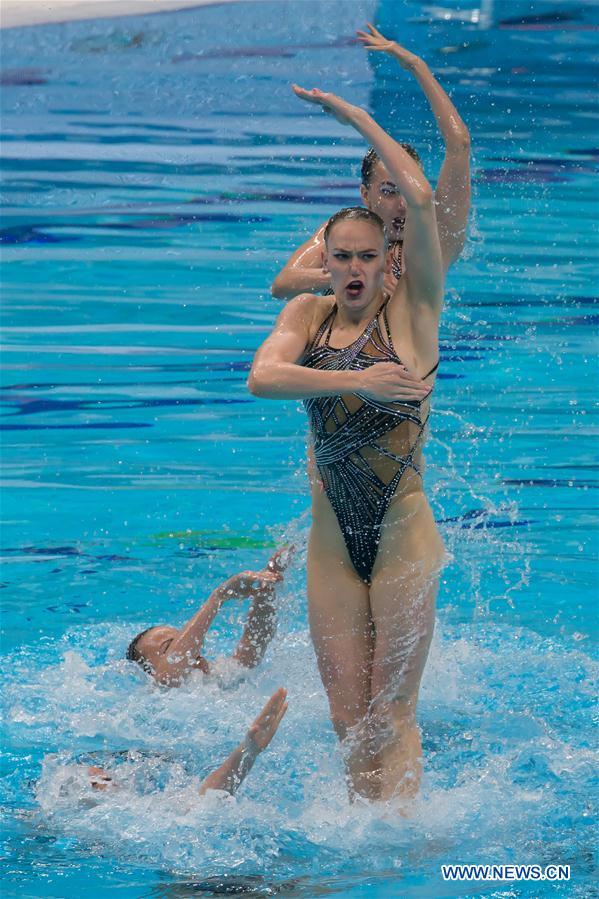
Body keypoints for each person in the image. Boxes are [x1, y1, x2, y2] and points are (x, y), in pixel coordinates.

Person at [249, 85, 447, 803]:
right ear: (324, 262)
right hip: (334, 528)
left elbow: (421, 204)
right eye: (342, 257)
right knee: (345, 715)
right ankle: (362, 836)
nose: (356, 268)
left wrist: (358, 119)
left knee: (391, 710)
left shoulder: (414, 306)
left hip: (401, 523)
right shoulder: (307, 311)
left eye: (367, 254)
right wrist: (359, 383)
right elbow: (262, 377)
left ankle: (399, 845)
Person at [271, 23, 470, 301]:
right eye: (389, 191)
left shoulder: (436, 240)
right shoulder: (346, 234)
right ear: (366, 195)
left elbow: (459, 146)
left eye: (408, 192)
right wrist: (351, 274)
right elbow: (282, 285)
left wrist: (416, 65)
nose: (403, 204)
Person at [126, 547, 291, 687]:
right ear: (151, 672)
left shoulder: (217, 679)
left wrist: (267, 583)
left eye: (182, 638)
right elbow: (168, 676)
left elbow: (254, 643)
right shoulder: (160, 694)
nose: (191, 644)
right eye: (171, 646)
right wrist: (218, 597)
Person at [81, 688, 288, 797]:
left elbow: (201, 804)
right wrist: (247, 752)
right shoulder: (76, 780)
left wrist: (248, 752)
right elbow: (202, 806)